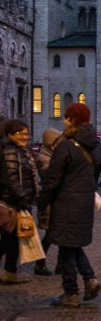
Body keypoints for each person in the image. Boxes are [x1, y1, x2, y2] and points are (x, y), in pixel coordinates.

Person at [38, 103, 101, 307]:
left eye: (66, 118)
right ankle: (90, 279)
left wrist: (42, 202)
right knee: (71, 245)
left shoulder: (66, 146)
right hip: (84, 203)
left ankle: (71, 293)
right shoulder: (95, 146)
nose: (64, 121)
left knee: (66, 249)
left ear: (72, 121)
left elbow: (52, 178)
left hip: (65, 203)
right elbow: (96, 174)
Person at [1, 120, 38, 285]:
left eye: (26, 133)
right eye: (21, 133)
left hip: (19, 201)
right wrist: (22, 198)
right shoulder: (10, 151)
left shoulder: (21, 151)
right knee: (10, 240)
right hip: (12, 203)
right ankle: (10, 272)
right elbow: (12, 178)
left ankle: (10, 272)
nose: (25, 137)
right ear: (10, 135)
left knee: (12, 240)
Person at [33, 127, 64, 276]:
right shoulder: (43, 157)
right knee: (50, 235)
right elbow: (49, 174)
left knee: (58, 234)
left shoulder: (53, 155)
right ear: (51, 143)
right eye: (58, 141)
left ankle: (60, 264)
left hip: (56, 201)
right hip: (49, 202)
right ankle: (39, 263)